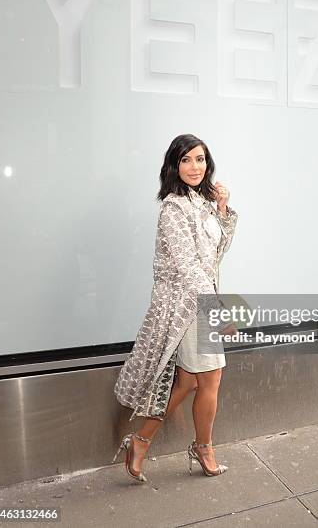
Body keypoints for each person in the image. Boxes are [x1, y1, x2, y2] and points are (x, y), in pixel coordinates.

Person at [112, 134, 238, 482]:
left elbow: (216, 254)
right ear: (174, 165)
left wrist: (223, 209)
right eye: (186, 160)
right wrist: (217, 311)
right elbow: (187, 267)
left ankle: (141, 440)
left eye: (200, 159)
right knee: (208, 379)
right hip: (185, 306)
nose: (195, 167)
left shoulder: (201, 202)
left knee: (189, 383)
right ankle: (203, 448)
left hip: (201, 299)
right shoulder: (173, 208)